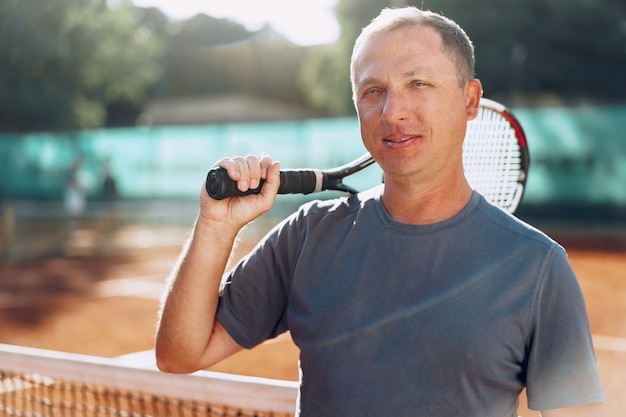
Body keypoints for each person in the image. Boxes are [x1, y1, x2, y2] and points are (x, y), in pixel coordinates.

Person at [155, 7, 605, 417]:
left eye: (418, 84)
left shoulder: (538, 266)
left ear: (469, 100)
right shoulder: (306, 237)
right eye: (374, 91)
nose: (393, 112)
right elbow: (179, 354)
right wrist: (215, 227)